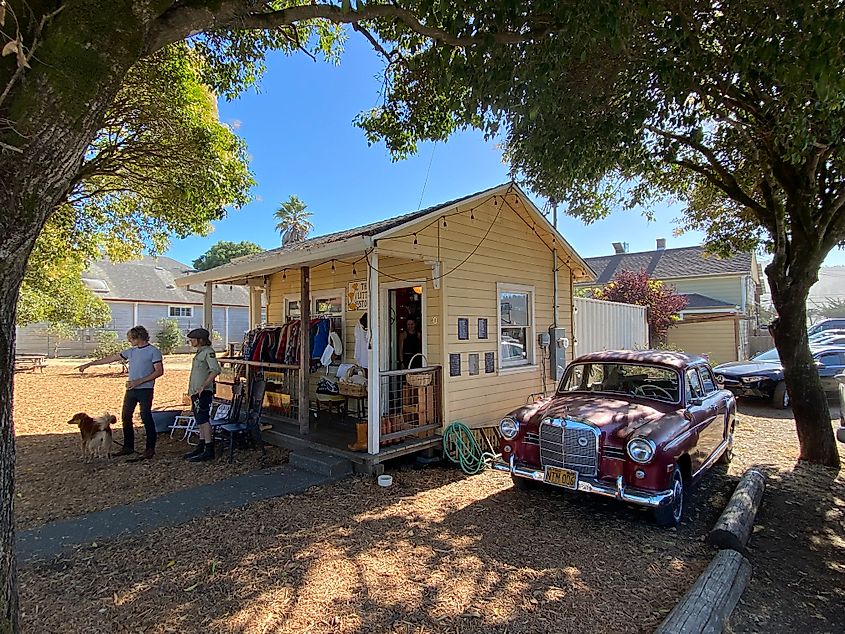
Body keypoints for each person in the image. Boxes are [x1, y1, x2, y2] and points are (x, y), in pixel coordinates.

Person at [77, 326, 164, 460]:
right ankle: (128, 446)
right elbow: (111, 358)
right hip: (131, 389)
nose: (129, 341)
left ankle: (150, 449)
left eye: (130, 338)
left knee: (146, 417)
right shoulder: (131, 351)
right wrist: (90, 364)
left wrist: (139, 381)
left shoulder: (153, 351)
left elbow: (159, 371)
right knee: (125, 417)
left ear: (137, 337)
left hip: (145, 389)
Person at [183, 328, 222, 462]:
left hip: (203, 392)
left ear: (200, 340)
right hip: (196, 392)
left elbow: (215, 370)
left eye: (193, 340)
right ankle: (201, 444)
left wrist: (204, 386)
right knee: (199, 419)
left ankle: (208, 448)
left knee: (204, 420)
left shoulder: (208, 352)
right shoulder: (200, 352)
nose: (191, 342)